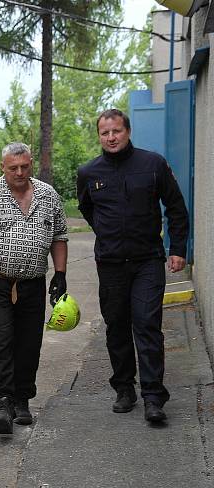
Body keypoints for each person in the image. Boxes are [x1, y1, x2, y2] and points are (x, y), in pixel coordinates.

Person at [77, 109, 189, 423]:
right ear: (99, 136)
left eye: (116, 131)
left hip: (147, 262)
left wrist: (177, 249)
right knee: (117, 326)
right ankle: (124, 388)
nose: (111, 138)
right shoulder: (89, 172)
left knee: (147, 326)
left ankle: (154, 397)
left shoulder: (152, 164)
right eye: (104, 133)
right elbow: (87, 209)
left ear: (127, 131)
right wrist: (108, 233)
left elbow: (176, 208)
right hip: (110, 263)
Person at [0, 142, 68, 436]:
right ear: (2, 167)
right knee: (0, 341)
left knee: (29, 343)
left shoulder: (48, 195)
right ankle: (2, 403)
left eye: (24, 166)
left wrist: (60, 273)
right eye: (13, 168)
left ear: (30, 164)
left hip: (33, 283)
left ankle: (22, 400)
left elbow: (59, 236)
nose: (19, 172)